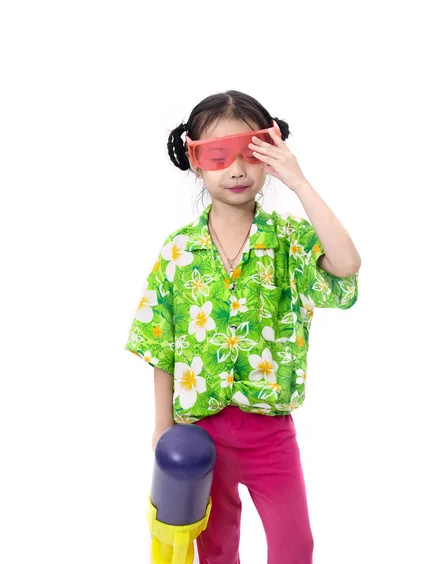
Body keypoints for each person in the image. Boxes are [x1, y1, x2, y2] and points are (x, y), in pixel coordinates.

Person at [124, 89, 361, 564]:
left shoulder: (288, 240)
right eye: (218, 155)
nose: (236, 169)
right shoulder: (179, 251)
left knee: (295, 547)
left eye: (250, 153)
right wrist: (161, 424)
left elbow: (346, 265)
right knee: (215, 548)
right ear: (194, 159)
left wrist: (300, 182)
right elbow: (161, 343)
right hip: (200, 435)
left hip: (270, 434)